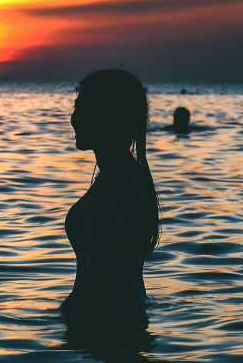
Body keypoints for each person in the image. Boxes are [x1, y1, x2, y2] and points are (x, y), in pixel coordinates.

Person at [62, 69, 160, 322]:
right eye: (76, 107)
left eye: (83, 108)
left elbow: (101, 282)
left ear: (107, 117)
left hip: (104, 325)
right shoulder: (126, 179)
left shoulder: (117, 188)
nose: (74, 118)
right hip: (124, 320)